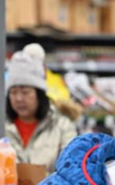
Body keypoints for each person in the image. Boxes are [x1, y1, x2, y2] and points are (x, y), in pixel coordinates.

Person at [5, 43, 77, 173]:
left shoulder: (62, 127)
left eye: (25, 92)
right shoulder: (1, 127)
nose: (19, 98)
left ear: (39, 94)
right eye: (13, 92)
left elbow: (71, 169)